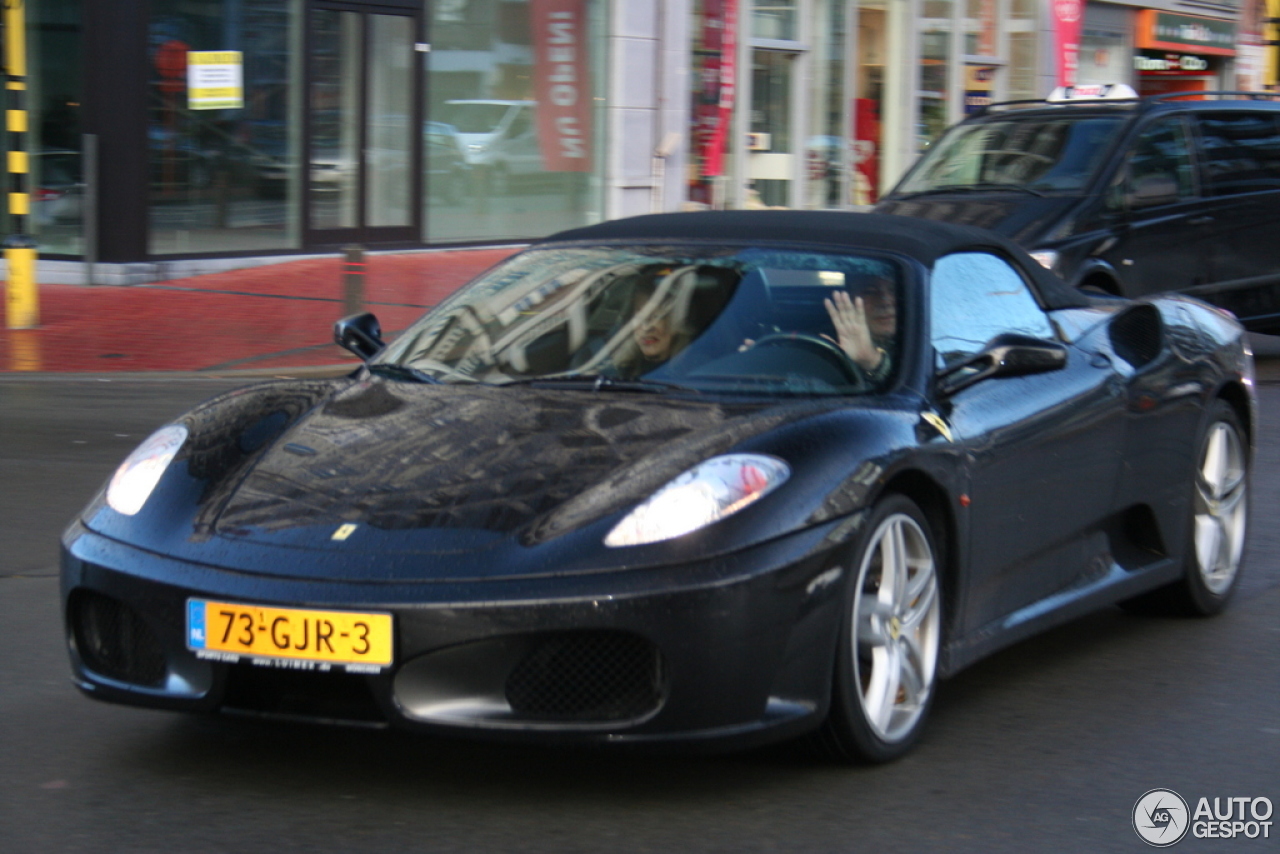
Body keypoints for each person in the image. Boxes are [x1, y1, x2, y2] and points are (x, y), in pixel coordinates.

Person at [823, 274, 897, 383]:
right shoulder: (828, 344)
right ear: (849, 300)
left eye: (893, 290)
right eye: (870, 292)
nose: (886, 301)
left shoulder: (922, 337)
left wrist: (872, 361)